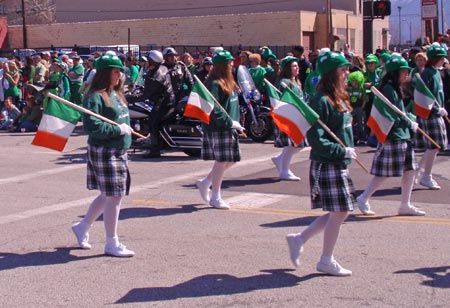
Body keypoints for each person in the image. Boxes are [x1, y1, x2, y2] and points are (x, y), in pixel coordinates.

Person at [285, 51, 355, 276]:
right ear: (331, 73)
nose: (347, 73)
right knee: (341, 211)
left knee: (339, 211)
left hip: (338, 161)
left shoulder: (339, 97)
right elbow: (316, 138)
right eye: (342, 69)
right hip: (327, 163)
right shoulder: (321, 100)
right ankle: (326, 259)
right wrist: (340, 150)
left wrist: (346, 152)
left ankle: (300, 238)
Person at [71, 54, 135, 257]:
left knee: (108, 194)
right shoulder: (95, 96)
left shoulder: (115, 93)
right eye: (116, 71)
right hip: (105, 150)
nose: (120, 75)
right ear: (106, 73)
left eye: (120, 71)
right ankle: (111, 243)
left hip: (118, 150)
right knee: (115, 196)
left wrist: (126, 131)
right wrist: (118, 131)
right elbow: (92, 126)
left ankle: (82, 226)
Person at [356, 54, 424, 216]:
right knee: (384, 173)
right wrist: (408, 122)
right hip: (394, 136)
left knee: (410, 170)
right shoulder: (388, 89)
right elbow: (392, 114)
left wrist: (410, 119)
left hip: (403, 135)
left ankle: (405, 204)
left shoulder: (395, 88)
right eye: (403, 71)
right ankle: (363, 197)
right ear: (394, 73)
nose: (407, 74)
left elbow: (401, 111)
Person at [195, 49, 244, 210]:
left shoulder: (229, 81)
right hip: (219, 127)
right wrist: (229, 122)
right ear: (221, 66)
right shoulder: (214, 83)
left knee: (232, 159)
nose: (232, 64)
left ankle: (206, 182)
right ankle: (215, 196)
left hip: (230, 126)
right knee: (222, 160)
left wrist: (236, 122)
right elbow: (214, 109)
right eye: (228, 62)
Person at [415, 43, 448, 189]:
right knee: (434, 146)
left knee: (435, 146)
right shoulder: (427, 73)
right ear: (436, 59)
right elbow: (423, 97)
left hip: (437, 113)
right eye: (442, 58)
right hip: (430, 115)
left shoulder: (436, 72)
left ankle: (419, 171)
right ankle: (426, 175)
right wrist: (436, 109)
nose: (444, 60)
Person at [136, 50, 175, 158]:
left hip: (163, 104)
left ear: (152, 62)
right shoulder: (162, 68)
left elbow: (143, 96)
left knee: (152, 123)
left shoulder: (154, 78)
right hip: (168, 101)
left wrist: (126, 98)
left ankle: (155, 150)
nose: (147, 62)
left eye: (148, 60)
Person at [271, 56, 304, 181]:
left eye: (297, 66)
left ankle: (280, 160)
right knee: (293, 143)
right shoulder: (284, 82)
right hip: (288, 116)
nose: (297, 68)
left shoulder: (295, 81)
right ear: (287, 68)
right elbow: (280, 100)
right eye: (294, 66)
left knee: (299, 144)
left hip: (297, 116)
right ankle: (284, 170)